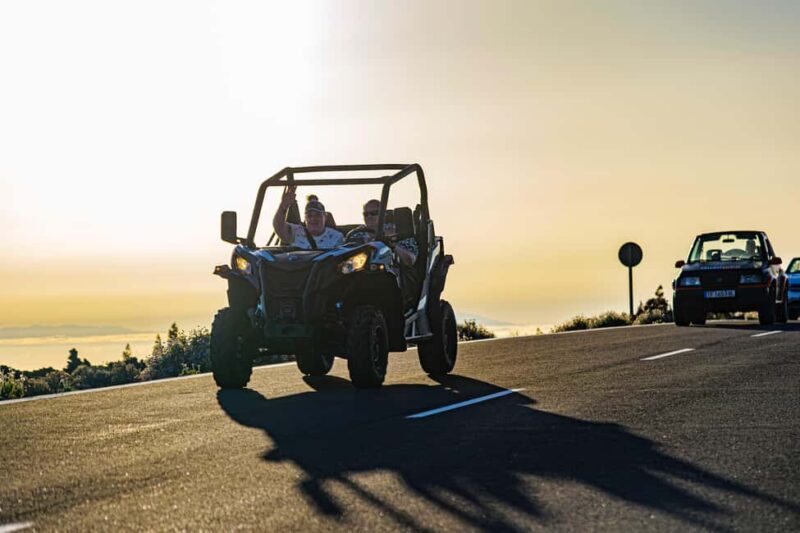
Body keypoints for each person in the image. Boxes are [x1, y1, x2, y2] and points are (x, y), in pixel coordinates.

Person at [347, 199, 417, 267]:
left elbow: (411, 261)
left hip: (390, 272)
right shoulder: (356, 234)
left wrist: (392, 245)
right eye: (366, 214)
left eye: (373, 213)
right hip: (360, 273)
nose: (369, 217)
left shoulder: (396, 232)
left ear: (383, 214)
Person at [272, 186, 344, 249]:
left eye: (317, 215)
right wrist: (283, 206)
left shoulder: (337, 237)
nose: (313, 219)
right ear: (305, 218)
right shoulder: (296, 232)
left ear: (325, 217)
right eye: (309, 216)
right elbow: (278, 227)